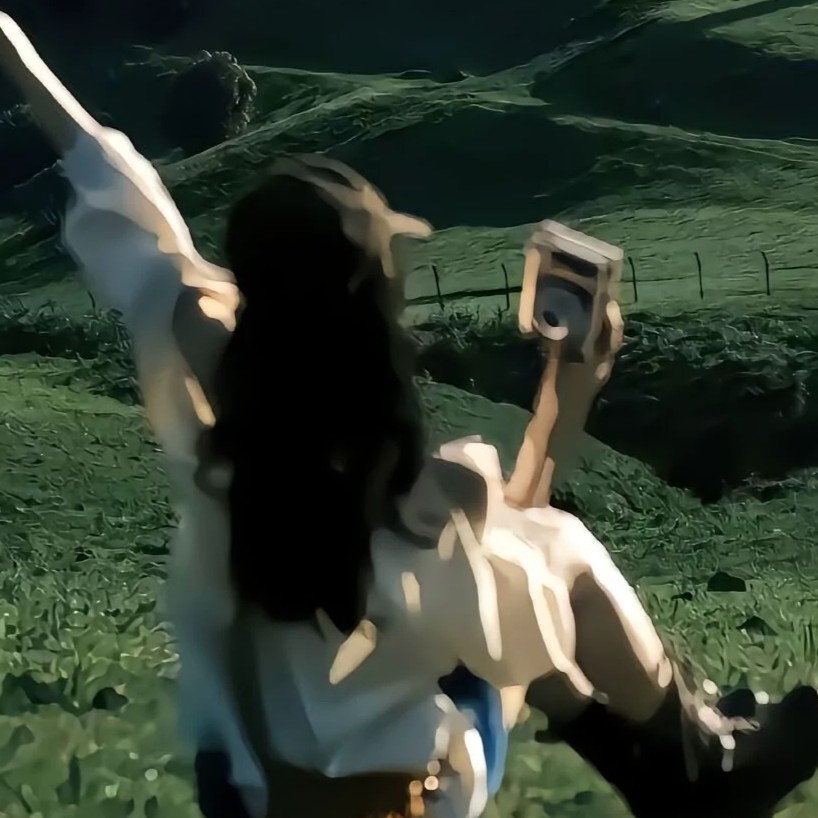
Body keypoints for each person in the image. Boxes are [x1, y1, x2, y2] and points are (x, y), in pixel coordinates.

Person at [1, 13, 817, 818]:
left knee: (488, 569)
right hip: (397, 803)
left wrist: (12, 47)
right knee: (552, 546)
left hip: (241, 789)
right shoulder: (427, 497)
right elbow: (513, 604)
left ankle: (688, 755)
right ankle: (697, 760)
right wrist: (567, 394)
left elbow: (125, 197)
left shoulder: (229, 443)